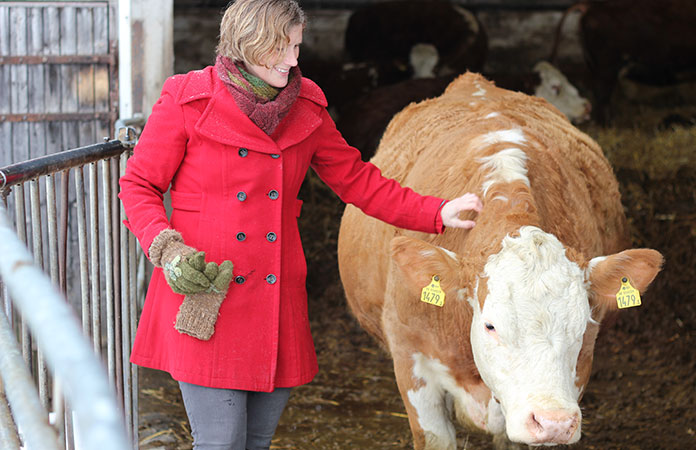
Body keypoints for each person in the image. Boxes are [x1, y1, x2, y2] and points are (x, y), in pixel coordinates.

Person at [118, 0, 483, 448]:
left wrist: (434, 212)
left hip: (275, 299)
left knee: (255, 441)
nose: (293, 60)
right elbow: (138, 185)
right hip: (206, 289)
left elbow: (358, 181)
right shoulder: (187, 99)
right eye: (281, 47)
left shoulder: (305, 105)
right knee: (221, 441)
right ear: (247, 43)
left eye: (296, 46)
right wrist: (166, 248)